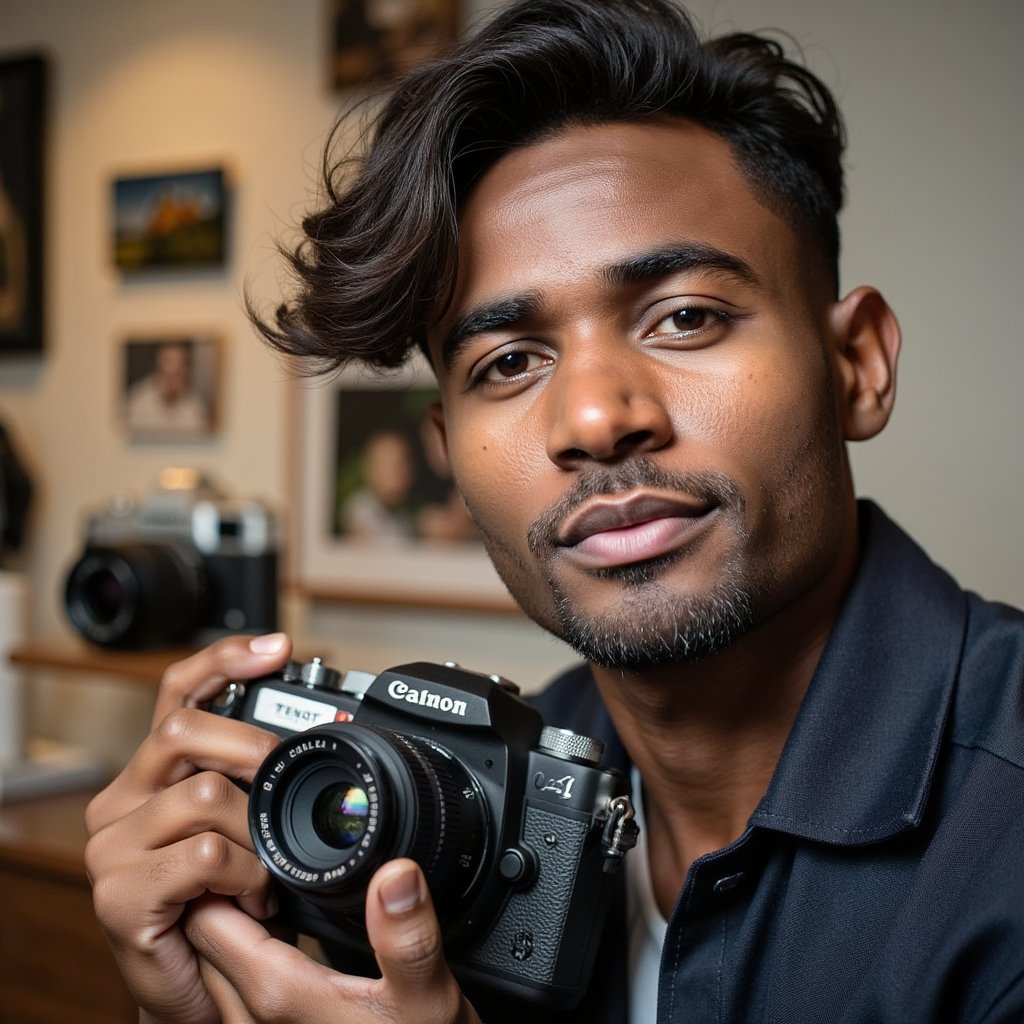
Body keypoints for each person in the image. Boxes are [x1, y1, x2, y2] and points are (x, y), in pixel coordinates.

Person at [83, 1, 1024, 1022]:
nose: (592, 417)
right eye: (510, 361)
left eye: (685, 317)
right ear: (447, 458)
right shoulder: (503, 771)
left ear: (857, 365)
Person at [124, 339, 211, 436]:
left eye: (179, 369)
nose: (173, 372)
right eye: (168, 363)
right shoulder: (137, 401)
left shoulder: (195, 406)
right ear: (157, 367)